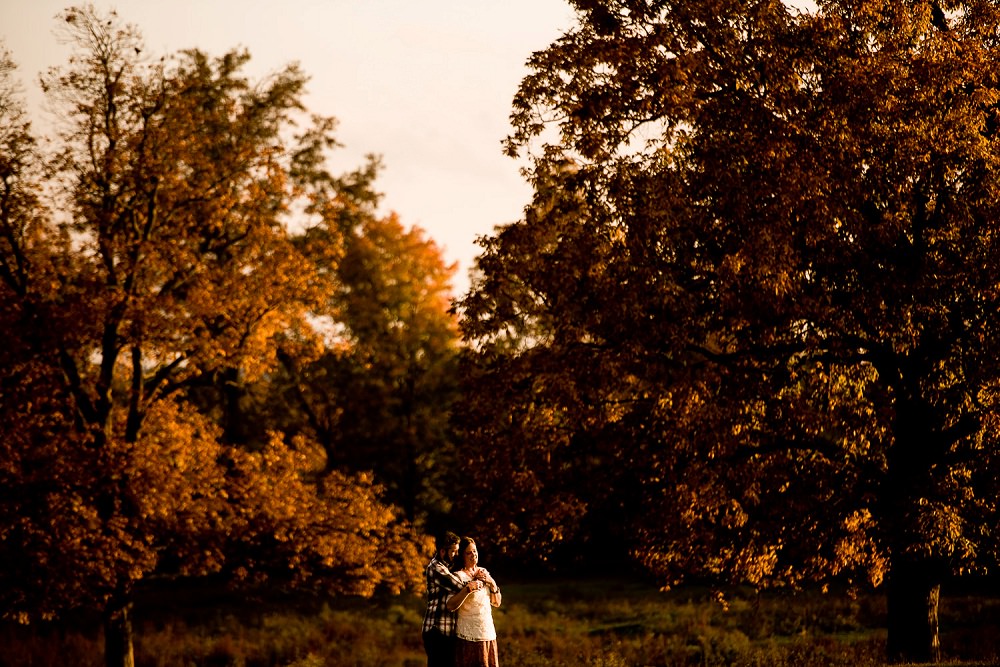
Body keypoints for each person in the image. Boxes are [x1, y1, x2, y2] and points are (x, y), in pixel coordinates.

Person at [447, 536, 502, 667]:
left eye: (475, 551)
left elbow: (497, 603)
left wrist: (492, 583)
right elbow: (450, 605)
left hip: (488, 633)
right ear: (462, 556)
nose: (473, 555)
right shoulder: (458, 576)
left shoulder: (483, 572)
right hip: (468, 636)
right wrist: (468, 588)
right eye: (469, 553)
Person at [422, 531, 464, 667]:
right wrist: (474, 582)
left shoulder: (447, 567)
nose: (456, 554)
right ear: (442, 551)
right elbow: (458, 586)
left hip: (446, 632)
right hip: (436, 631)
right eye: (453, 551)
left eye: (457, 551)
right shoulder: (436, 568)